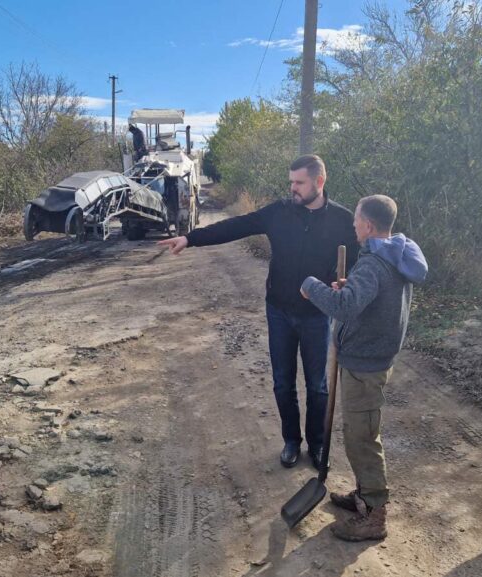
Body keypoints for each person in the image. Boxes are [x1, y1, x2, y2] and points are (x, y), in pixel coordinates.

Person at [158, 155, 359, 468]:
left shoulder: (343, 220)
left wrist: (345, 282)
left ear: (320, 182)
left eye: (299, 182)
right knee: (282, 381)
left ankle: (317, 445)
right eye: (290, 181)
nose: (292, 188)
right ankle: (292, 441)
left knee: (318, 386)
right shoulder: (279, 212)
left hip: (318, 314)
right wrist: (190, 238)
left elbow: (360, 257)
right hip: (278, 309)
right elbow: (237, 226)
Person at [300, 194, 427, 542]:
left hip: (365, 365)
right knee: (359, 432)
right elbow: (367, 299)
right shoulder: (392, 255)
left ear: (368, 225)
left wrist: (312, 287)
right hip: (370, 359)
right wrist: (348, 288)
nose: (353, 225)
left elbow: (344, 308)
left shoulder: (373, 263)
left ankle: (375, 515)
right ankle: (363, 497)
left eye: (356, 220)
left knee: (362, 438)